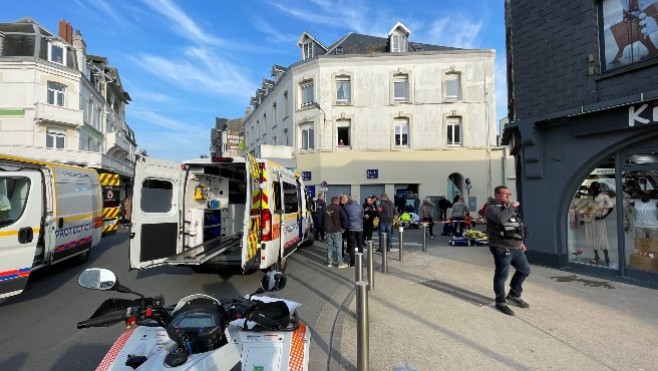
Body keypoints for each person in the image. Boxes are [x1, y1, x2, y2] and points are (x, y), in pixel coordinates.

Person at [485, 186, 531, 316]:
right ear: (497, 195)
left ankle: (514, 295)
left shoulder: (510, 209)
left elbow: (517, 226)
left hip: (515, 247)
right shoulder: (491, 208)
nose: (508, 196)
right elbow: (501, 219)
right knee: (501, 275)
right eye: (505, 194)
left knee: (525, 270)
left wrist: (520, 242)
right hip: (501, 247)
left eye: (509, 194)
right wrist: (511, 207)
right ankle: (500, 302)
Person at [577, 182, 614, 266]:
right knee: (593, 237)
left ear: (596, 188)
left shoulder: (604, 196)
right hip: (590, 219)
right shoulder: (591, 197)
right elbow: (589, 208)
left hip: (599, 219)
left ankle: (607, 257)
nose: (592, 190)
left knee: (602, 237)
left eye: (593, 188)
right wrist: (583, 218)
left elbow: (611, 207)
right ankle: (596, 256)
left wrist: (603, 217)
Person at [324, 196, 348, 268]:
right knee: (338, 247)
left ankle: (329, 263)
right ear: (337, 201)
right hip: (337, 230)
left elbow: (321, 219)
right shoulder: (339, 208)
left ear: (331, 201)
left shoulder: (325, 208)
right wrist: (344, 228)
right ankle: (340, 263)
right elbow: (345, 218)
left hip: (328, 230)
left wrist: (323, 228)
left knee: (329, 247)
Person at [344, 195, 364, 267]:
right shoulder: (360, 206)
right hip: (359, 228)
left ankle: (353, 263)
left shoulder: (346, 207)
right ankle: (361, 261)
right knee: (360, 244)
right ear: (356, 199)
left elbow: (345, 218)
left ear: (349, 200)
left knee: (352, 245)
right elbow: (362, 215)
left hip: (351, 228)